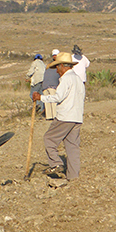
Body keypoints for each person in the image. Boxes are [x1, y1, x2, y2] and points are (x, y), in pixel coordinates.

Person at [32, 52, 85, 180]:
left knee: (49, 139)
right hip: (77, 117)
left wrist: (40, 97)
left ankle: (56, 164)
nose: (56, 71)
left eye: (57, 68)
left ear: (62, 66)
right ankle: (73, 176)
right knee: (72, 147)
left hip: (65, 116)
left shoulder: (67, 79)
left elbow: (58, 97)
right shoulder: (78, 79)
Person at [41, 49, 61, 119]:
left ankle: (49, 116)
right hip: (53, 85)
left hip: (45, 85)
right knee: (54, 101)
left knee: (47, 101)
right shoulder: (59, 65)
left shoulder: (48, 65)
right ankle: (55, 116)